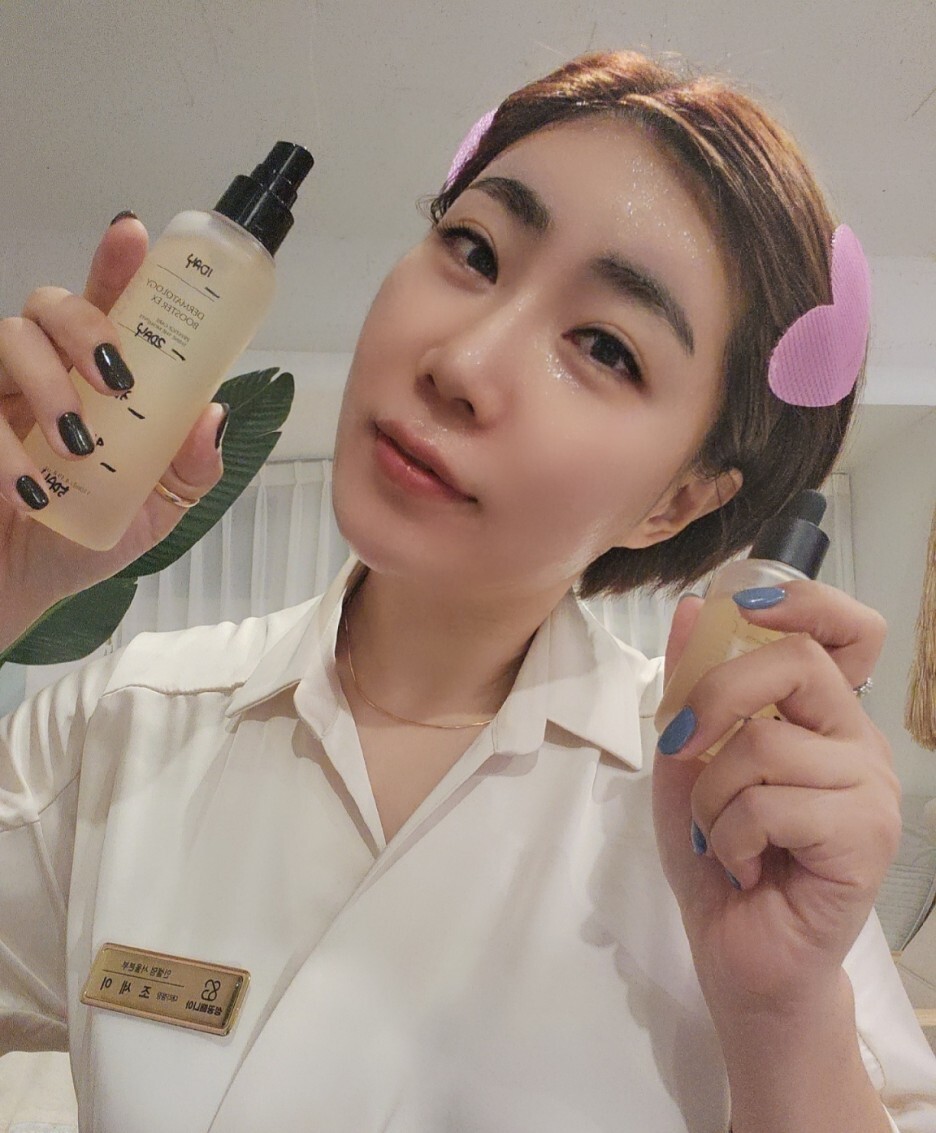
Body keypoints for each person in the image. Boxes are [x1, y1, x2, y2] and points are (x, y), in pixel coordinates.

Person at [0, 48, 934, 1132]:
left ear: (675, 502)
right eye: (474, 249)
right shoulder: (117, 723)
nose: (462, 360)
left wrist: (781, 1020)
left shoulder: (728, 816)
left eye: (605, 347)